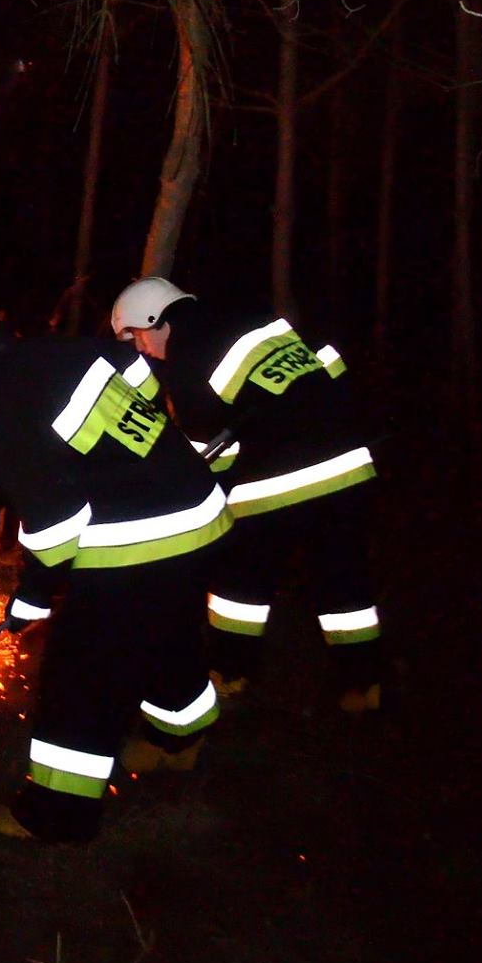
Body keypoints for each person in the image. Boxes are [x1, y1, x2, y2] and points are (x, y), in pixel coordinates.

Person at [0, 273, 232, 843]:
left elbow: (58, 526)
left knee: (80, 673)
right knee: (164, 628)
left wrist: (33, 599)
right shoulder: (55, 352)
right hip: (202, 515)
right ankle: (182, 740)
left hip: (145, 538)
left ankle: (56, 816)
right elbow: (140, 373)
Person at [110, 276, 385, 714]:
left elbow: (209, 453)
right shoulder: (254, 319)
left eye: (137, 337)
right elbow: (330, 360)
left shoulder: (187, 357)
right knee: (343, 581)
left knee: (238, 584)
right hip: (349, 466)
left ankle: (230, 676)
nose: (141, 349)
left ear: (155, 320)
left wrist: (187, 498)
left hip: (277, 484)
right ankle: (364, 683)